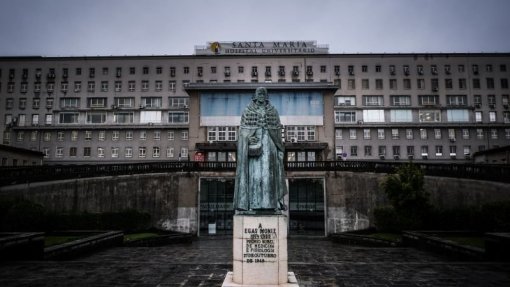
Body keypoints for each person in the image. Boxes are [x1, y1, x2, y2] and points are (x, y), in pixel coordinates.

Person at [233, 87, 287, 213]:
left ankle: (271, 204)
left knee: (270, 177)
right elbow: (242, 132)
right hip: (254, 150)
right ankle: (253, 205)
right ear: (255, 95)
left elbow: (278, 132)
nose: (262, 95)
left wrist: (279, 150)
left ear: (267, 96)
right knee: (255, 177)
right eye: (259, 93)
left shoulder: (273, 111)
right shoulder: (248, 111)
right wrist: (247, 139)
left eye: (264, 93)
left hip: (270, 147)